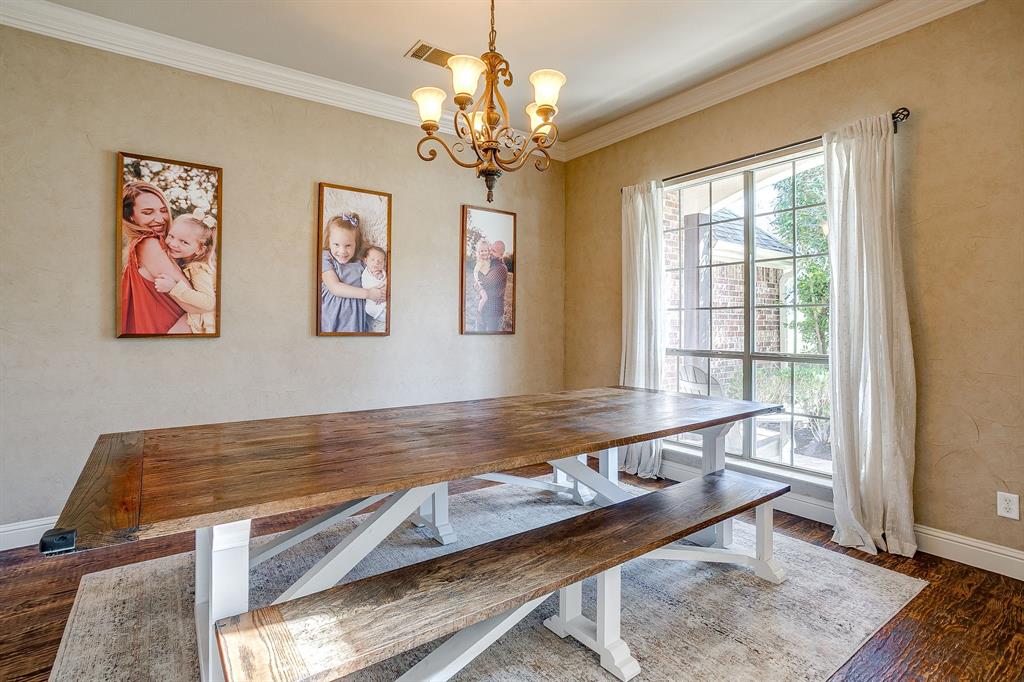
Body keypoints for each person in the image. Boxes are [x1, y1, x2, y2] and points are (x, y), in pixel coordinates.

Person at [120, 181, 192, 334]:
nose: (160, 219)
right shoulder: (147, 243)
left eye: (163, 210)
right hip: (169, 332)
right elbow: (194, 302)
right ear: (130, 216)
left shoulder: (161, 246)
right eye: (148, 212)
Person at [320, 213, 385, 333]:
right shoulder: (326, 258)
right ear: (328, 242)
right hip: (330, 316)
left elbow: (377, 279)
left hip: (354, 319)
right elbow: (335, 287)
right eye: (336, 244)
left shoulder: (361, 264)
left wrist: (381, 290)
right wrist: (368, 293)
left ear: (356, 244)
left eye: (348, 245)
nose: (342, 251)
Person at [154, 215, 217, 334]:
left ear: (200, 250)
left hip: (203, 319)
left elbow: (209, 302)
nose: (173, 243)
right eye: (171, 236)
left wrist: (173, 287)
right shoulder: (184, 260)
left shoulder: (198, 269)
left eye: (184, 242)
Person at [475, 239, 509, 332]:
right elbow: (477, 283)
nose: (490, 252)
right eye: (491, 249)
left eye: (494, 251)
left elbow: (484, 283)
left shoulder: (500, 268)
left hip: (493, 313)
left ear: (501, 254)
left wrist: (477, 285)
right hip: (483, 310)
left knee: (492, 338)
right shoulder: (489, 264)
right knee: (478, 337)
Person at [361, 245, 388, 332]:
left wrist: (380, 277)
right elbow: (365, 285)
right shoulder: (365, 274)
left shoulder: (382, 273)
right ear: (366, 261)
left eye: (380, 261)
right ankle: (384, 316)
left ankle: (387, 316)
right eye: (372, 260)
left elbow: (386, 281)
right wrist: (375, 279)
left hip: (384, 296)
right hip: (372, 299)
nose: (376, 263)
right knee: (368, 309)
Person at [472, 239, 492, 313]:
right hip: (480, 284)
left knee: (485, 297)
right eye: (481, 251)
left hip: (486, 282)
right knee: (485, 298)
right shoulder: (480, 262)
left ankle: (482, 308)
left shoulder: (488, 260)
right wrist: (477, 281)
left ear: (488, 251)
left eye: (485, 250)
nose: (484, 253)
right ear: (479, 252)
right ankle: (478, 311)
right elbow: (475, 272)